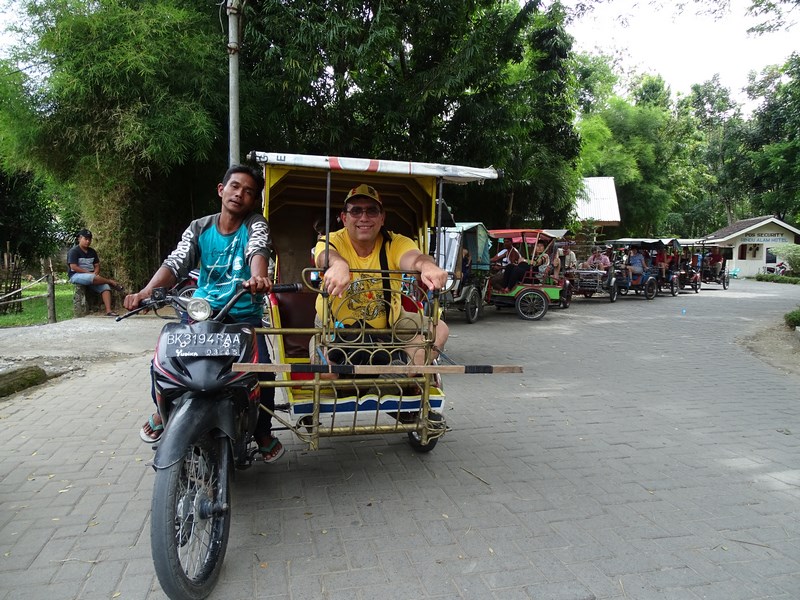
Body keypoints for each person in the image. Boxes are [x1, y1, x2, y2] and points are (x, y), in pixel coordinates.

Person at [123, 165, 284, 463]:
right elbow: (176, 262)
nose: (240, 194)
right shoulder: (199, 227)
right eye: (235, 187)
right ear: (221, 190)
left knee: (264, 372)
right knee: (164, 362)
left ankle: (262, 430)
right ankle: (163, 412)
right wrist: (146, 293)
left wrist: (258, 278)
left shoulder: (255, 224)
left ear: (254, 201)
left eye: (249, 192)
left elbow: (257, 250)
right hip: (201, 314)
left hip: (242, 316)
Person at [314, 183, 449, 368]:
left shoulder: (395, 242)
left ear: (382, 217)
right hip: (334, 325)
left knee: (439, 329)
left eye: (372, 211)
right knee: (325, 370)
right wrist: (338, 265)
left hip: (391, 322)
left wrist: (427, 265)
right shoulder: (331, 240)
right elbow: (324, 256)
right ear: (344, 218)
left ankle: (404, 374)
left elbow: (413, 257)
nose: (364, 217)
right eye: (356, 211)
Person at [67, 229, 124, 317]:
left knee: (105, 287)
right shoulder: (74, 251)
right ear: (79, 239)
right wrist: (89, 274)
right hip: (76, 275)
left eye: (89, 239)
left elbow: (97, 265)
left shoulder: (92, 251)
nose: (88, 241)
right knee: (94, 278)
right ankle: (110, 281)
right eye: (85, 239)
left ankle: (109, 311)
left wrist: (95, 272)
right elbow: (73, 267)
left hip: (91, 276)